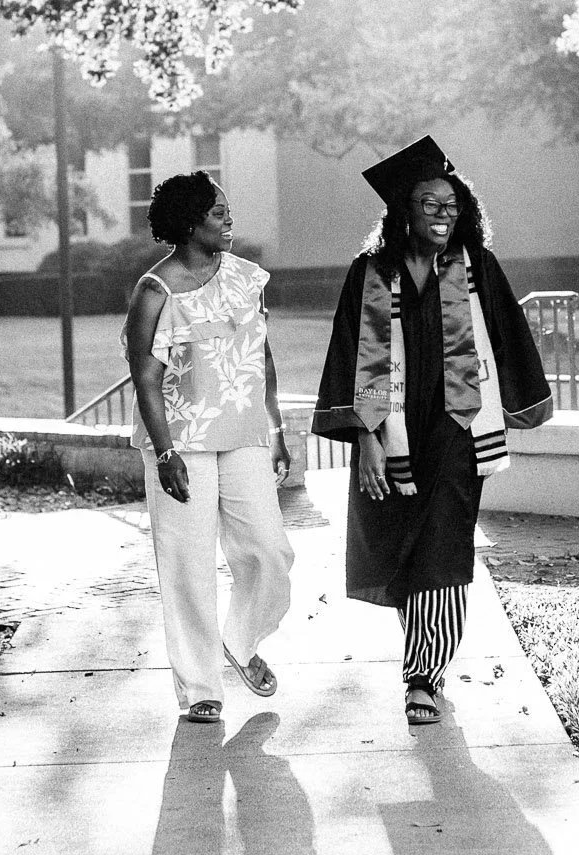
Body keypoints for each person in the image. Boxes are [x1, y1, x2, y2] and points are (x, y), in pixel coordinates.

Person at [312, 137, 555, 725]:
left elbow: (510, 336)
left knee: (444, 546)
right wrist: (364, 437)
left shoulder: (475, 269)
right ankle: (422, 653)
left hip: (457, 426)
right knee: (401, 542)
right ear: (403, 211)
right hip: (391, 429)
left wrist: (522, 404)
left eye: (452, 205)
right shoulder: (369, 273)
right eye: (430, 204)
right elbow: (350, 353)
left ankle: (423, 675)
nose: (443, 215)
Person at [125, 172, 296, 724]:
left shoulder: (247, 278)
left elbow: (262, 357)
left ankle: (240, 642)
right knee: (187, 566)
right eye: (218, 212)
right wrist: (166, 452)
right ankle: (201, 687)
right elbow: (146, 379)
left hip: (243, 432)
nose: (229, 219)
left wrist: (276, 427)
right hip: (181, 443)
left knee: (269, 552)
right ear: (190, 221)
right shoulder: (156, 292)